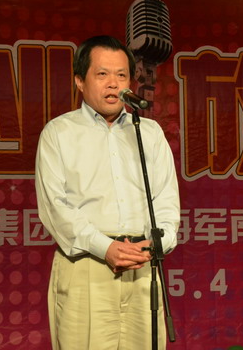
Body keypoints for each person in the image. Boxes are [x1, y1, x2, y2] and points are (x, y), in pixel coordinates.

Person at [35, 35, 181, 350]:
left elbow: (166, 201)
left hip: (143, 265)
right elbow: (55, 208)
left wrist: (155, 244)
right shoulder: (59, 133)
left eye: (121, 75)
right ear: (80, 81)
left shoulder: (149, 133)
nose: (113, 84)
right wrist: (106, 248)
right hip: (88, 266)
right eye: (102, 74)